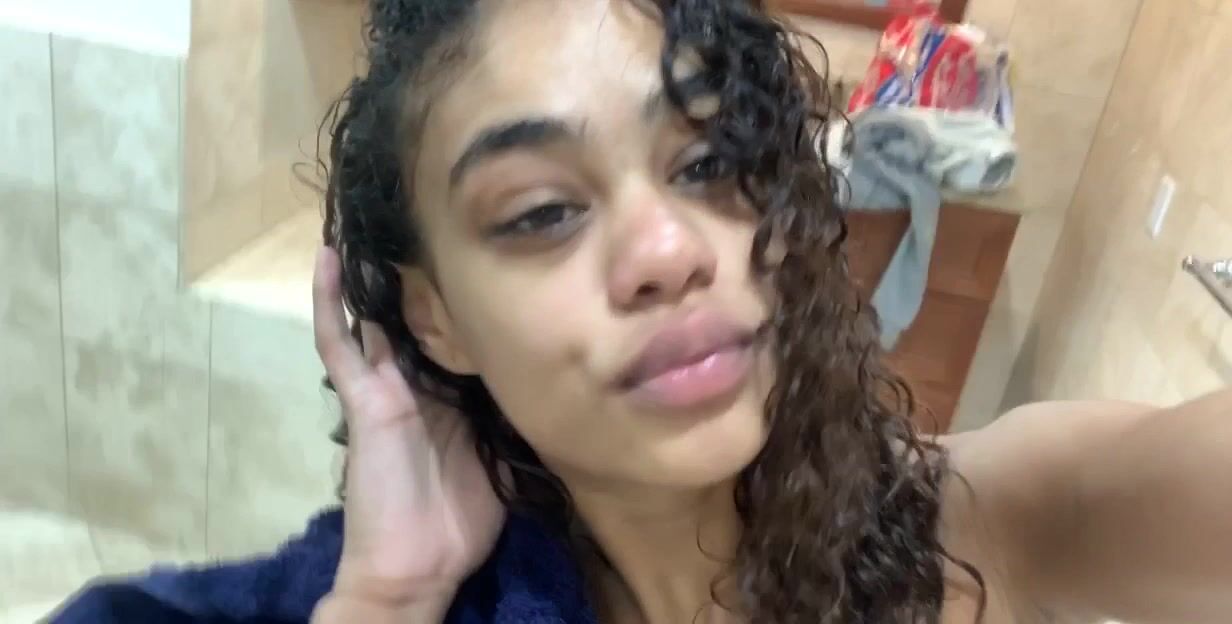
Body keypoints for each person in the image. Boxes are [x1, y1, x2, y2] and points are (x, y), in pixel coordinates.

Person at [51, 0, 1232, 622]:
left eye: (709, 161)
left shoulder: (991, 527)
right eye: (540, 212)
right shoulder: (383, 594)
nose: (667, 252)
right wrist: (386, 597)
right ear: (434, 315)